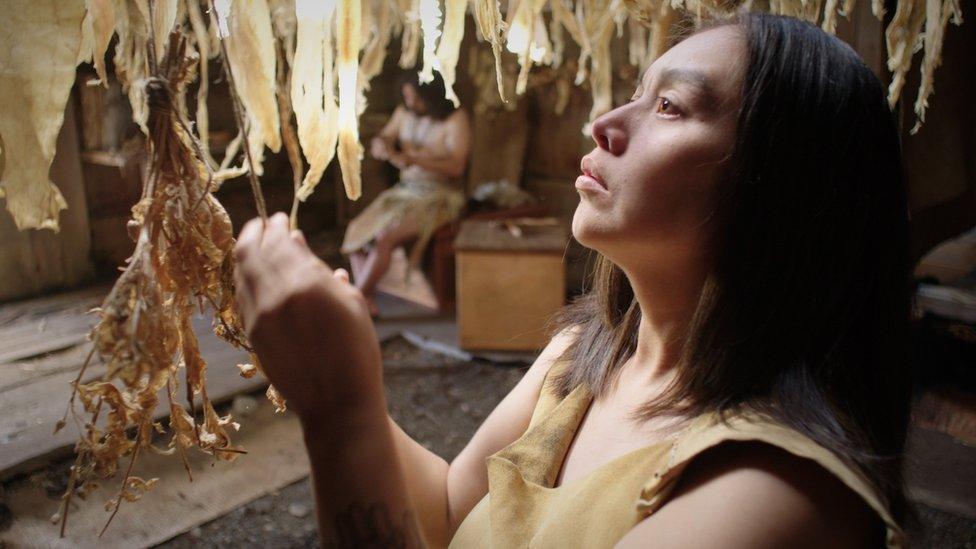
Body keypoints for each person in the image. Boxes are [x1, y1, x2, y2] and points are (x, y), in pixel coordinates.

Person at [233, 12, 911, 548]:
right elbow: (444, 512)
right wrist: (326, 367)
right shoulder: (589, 353)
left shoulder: (773, 493)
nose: (605, 124)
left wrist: (341, 414)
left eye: (671, 107)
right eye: (636, 95)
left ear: (784, 187)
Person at [341, 71, 471, 316]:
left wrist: (414, 160)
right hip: (406, 191)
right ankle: (365, 298)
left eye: (416, 98)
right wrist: (383, 144)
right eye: (407, 97)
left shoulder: (455, 119)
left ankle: (356, 301)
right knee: (358, 232)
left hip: (441, 194)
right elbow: (386, 135)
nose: (411, 103)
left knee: (384, 238)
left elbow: (456, 167)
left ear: (431, 96)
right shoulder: (404, 113)